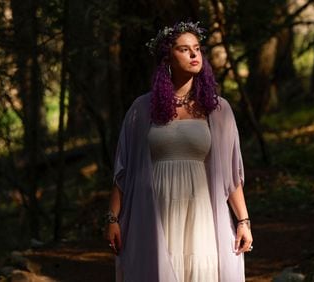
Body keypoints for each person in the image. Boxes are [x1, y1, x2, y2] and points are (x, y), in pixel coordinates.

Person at [104, 21, 253, 282]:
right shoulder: (141, 110)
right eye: (184, 49)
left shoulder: (218, 110)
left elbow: (231, 176)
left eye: (197, 48)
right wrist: (113, 218)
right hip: (155, 211)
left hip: (200, 212)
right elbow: (123, 171)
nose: (194, 55)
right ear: (167, 59)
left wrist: (243, 221)